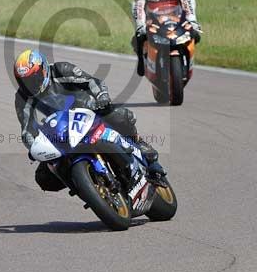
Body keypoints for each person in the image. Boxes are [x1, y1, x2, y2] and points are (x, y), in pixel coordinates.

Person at [13, 49, 166, 192]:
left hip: (89, 110)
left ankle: (142, 147)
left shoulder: (61, 70)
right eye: (24, 82)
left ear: (44, 69)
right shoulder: (22, 98)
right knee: (43, 178)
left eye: (34, 78)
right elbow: (27, 129)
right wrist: (33, 146)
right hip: (61, 128)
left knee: (120, 115)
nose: (31, 85)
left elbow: (92, 82)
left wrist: (101, 97)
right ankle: (84, 185)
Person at [132, 0, 202, 76]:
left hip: (177, 18)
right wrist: (140, 25)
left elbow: (188, 1)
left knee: (195, 35)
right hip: (153, 20)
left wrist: (192, 20)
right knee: (138, 38)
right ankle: (141, 62)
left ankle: (187, 61)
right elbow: (138, 6)